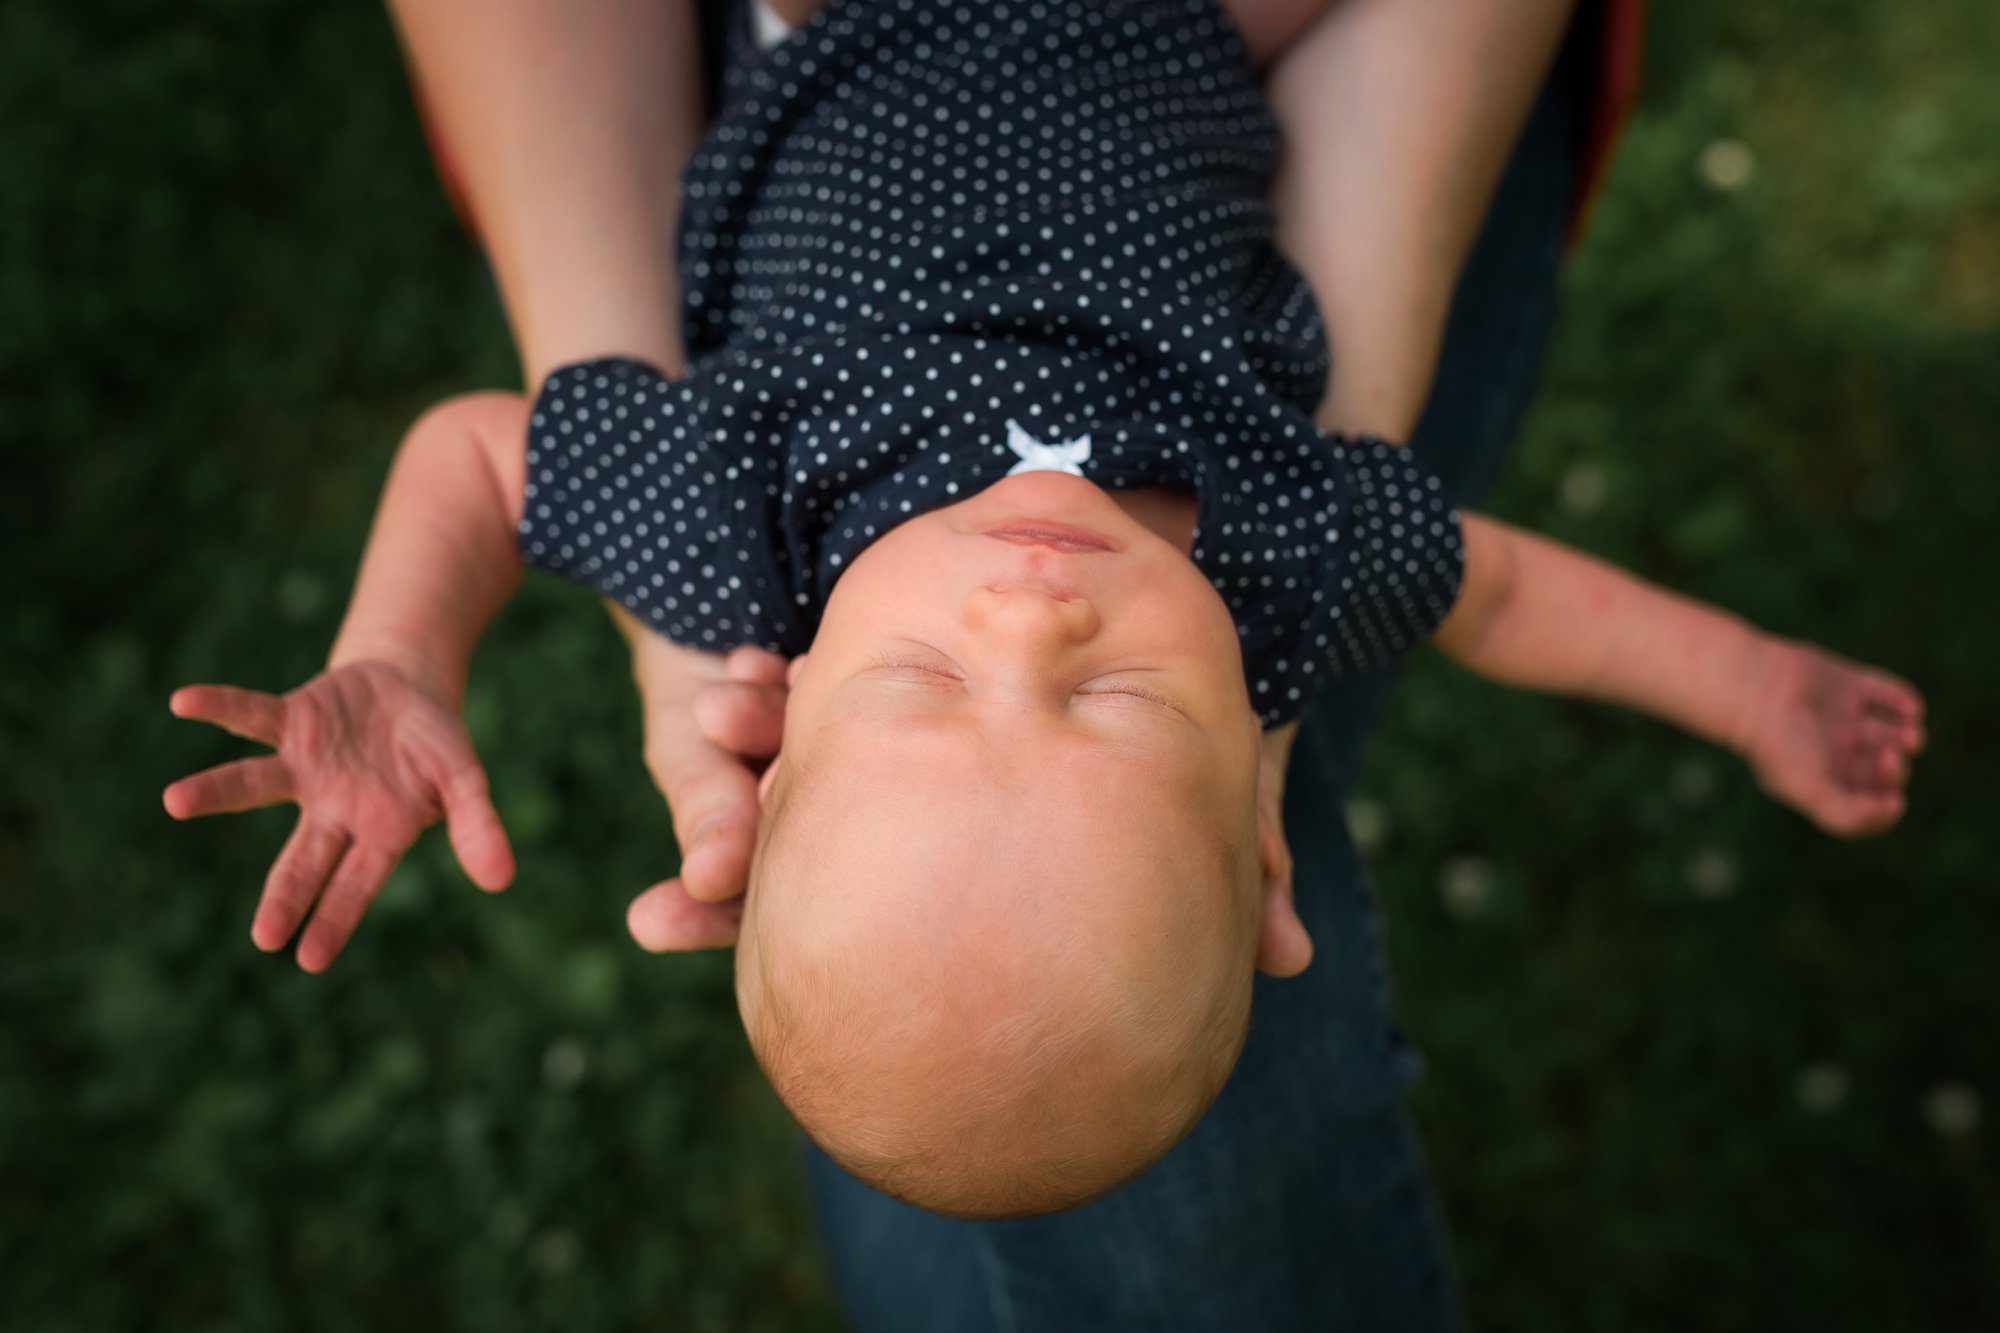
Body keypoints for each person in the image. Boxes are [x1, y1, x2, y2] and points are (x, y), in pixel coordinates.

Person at [163, 0, 1922, 1240]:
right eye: (1125, 708)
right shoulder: (1283, 557)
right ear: (1254, 826)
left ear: (776, 738)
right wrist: (1750, 682)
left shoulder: (731, 545)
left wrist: (402, 651)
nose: (1032, 614)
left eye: (926, 680)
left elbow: (476, 454)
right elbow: (1514, 590)